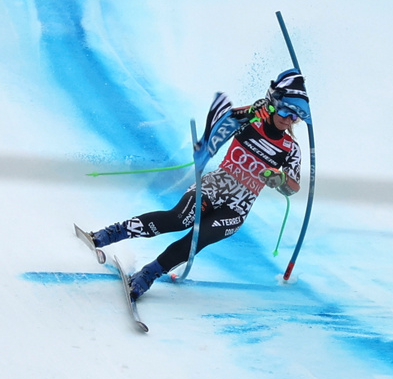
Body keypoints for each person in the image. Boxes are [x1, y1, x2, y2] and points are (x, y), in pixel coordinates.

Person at [85, 69, 309, 299]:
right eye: (284, 109)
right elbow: (226, 119)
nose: (287, 118)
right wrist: (252, 109)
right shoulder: (251, 121)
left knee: (196, 240)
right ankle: (108, 235)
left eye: (295, 116)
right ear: (273, 103)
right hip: (216, 185)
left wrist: (280, 179)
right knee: (178, 219)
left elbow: (293, 187)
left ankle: (147, 275)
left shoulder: (291, 148)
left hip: (238, 207)